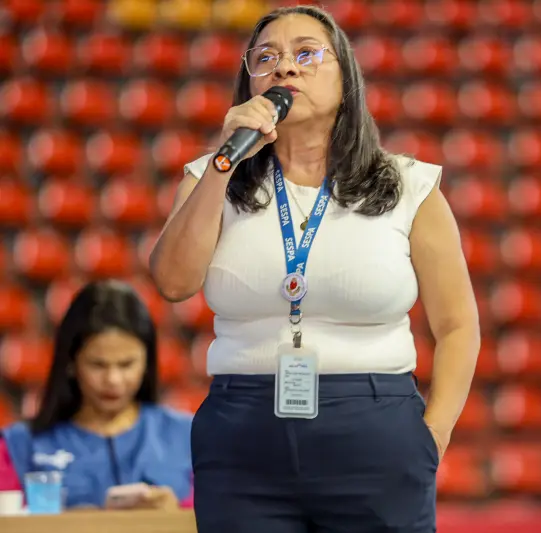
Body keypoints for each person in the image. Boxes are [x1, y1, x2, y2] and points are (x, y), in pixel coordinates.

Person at [150, 4, 479, 532]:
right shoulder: (211, 176)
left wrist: (433, 435)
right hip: (243, 433)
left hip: (375, 428)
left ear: (346, 80)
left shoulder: (408, 185)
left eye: (306, 54)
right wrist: (222, 164)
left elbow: (458, 324)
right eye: (266, 58)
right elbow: (172, 281)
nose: (285, 67)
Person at [0, 280, 194, 510]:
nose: (113, 380)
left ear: (147, 363)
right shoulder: (19, 446)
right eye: (97, 365)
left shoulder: (190, 436)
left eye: (126, 364)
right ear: (71, 363)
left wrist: (177, 514)